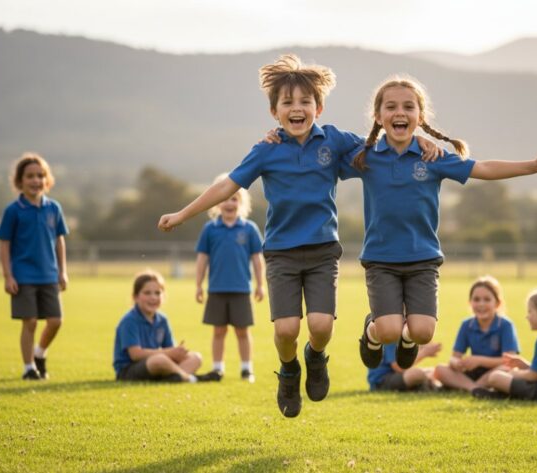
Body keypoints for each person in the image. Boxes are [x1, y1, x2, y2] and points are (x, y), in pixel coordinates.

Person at [158, 55, 439, 417]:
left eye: (305, 102)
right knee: (287, 329)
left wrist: (421, 142)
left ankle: (315, 357)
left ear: (318, 107)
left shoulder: (335, 141)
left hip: (323, 250)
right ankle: (289, 370)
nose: (297, 108)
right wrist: (183, 213)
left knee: (320, 326)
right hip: (281, 253)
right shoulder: (266, 150)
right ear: (274, 112)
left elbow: (383, 148)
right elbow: (227, 185)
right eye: (288, 102)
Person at [343, 76, 537, 372]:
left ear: (420, 117)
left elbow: (482, 168)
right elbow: (321, 149)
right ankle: (372, 333)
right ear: (378, 117)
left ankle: (408, 340)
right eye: (390, 107)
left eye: (409, 106)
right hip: (381, 260)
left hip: (423, 260)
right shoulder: (364, 156)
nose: (400, 113)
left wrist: (532, 166)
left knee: (422, 332)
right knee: (388, 331)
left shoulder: (434, 157)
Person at [0, 152, 69, 381]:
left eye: (40, 175)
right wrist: (8, 276)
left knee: (56, 321)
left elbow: (59, 240)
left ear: (46, 179)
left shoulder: (53, 208)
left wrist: (62, 271)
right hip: (24, 275)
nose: (35, 180)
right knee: (30, 322)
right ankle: (29, 368)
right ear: (20, 180)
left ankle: (39, 354)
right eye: (30, 176)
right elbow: (5, 244)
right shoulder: (13, 211)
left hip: (49, 274)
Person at [194, 174, 264, 383]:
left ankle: (246, 369)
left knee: (242, 331)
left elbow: (257, 260)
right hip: (216, 288)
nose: (229, 203)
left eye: (234, 198)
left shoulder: (249, 229)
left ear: (241, 203)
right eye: (225, 198)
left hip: (241, 289)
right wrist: (198, 285)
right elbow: (202, 259)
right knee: (219, 331)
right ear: (217, 202)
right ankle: (217, 369)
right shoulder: (210, 229)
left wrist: (260, 285)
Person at [433, 276, 520, 395]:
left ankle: (472, 387)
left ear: (498, 303)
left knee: (507, 369)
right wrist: (456, 363)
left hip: (495, 371)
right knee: (439, 370)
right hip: (473, 372)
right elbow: (454, 357)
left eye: (487, 299)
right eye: (476, 299)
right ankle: (475, 389)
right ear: (470, 303)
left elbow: (510, 361)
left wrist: (479, 360)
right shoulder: (466, 325)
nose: (481, 304)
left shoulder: (506, 325)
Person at [113, 270, 204, 383]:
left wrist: (178, 352)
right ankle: (190, 378)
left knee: (196, 358)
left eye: (157, 293)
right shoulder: (129, 321)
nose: (153, 297)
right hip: (129, 370)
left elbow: (170, 348)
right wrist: (169, 353)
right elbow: (135, 355)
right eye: (147, 293)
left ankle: (174, 377)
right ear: (136, 297)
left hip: (157, 364)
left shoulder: (162, 320)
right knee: (159, 360)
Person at [367, 336, 441, 392]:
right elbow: (399, 368)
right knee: (417, 374)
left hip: (395, 375)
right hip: (382, 381)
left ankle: (424, 385)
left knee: (433, 370)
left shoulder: (403, 335)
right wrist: (424, 353)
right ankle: (429, 386)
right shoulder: (392, 336)